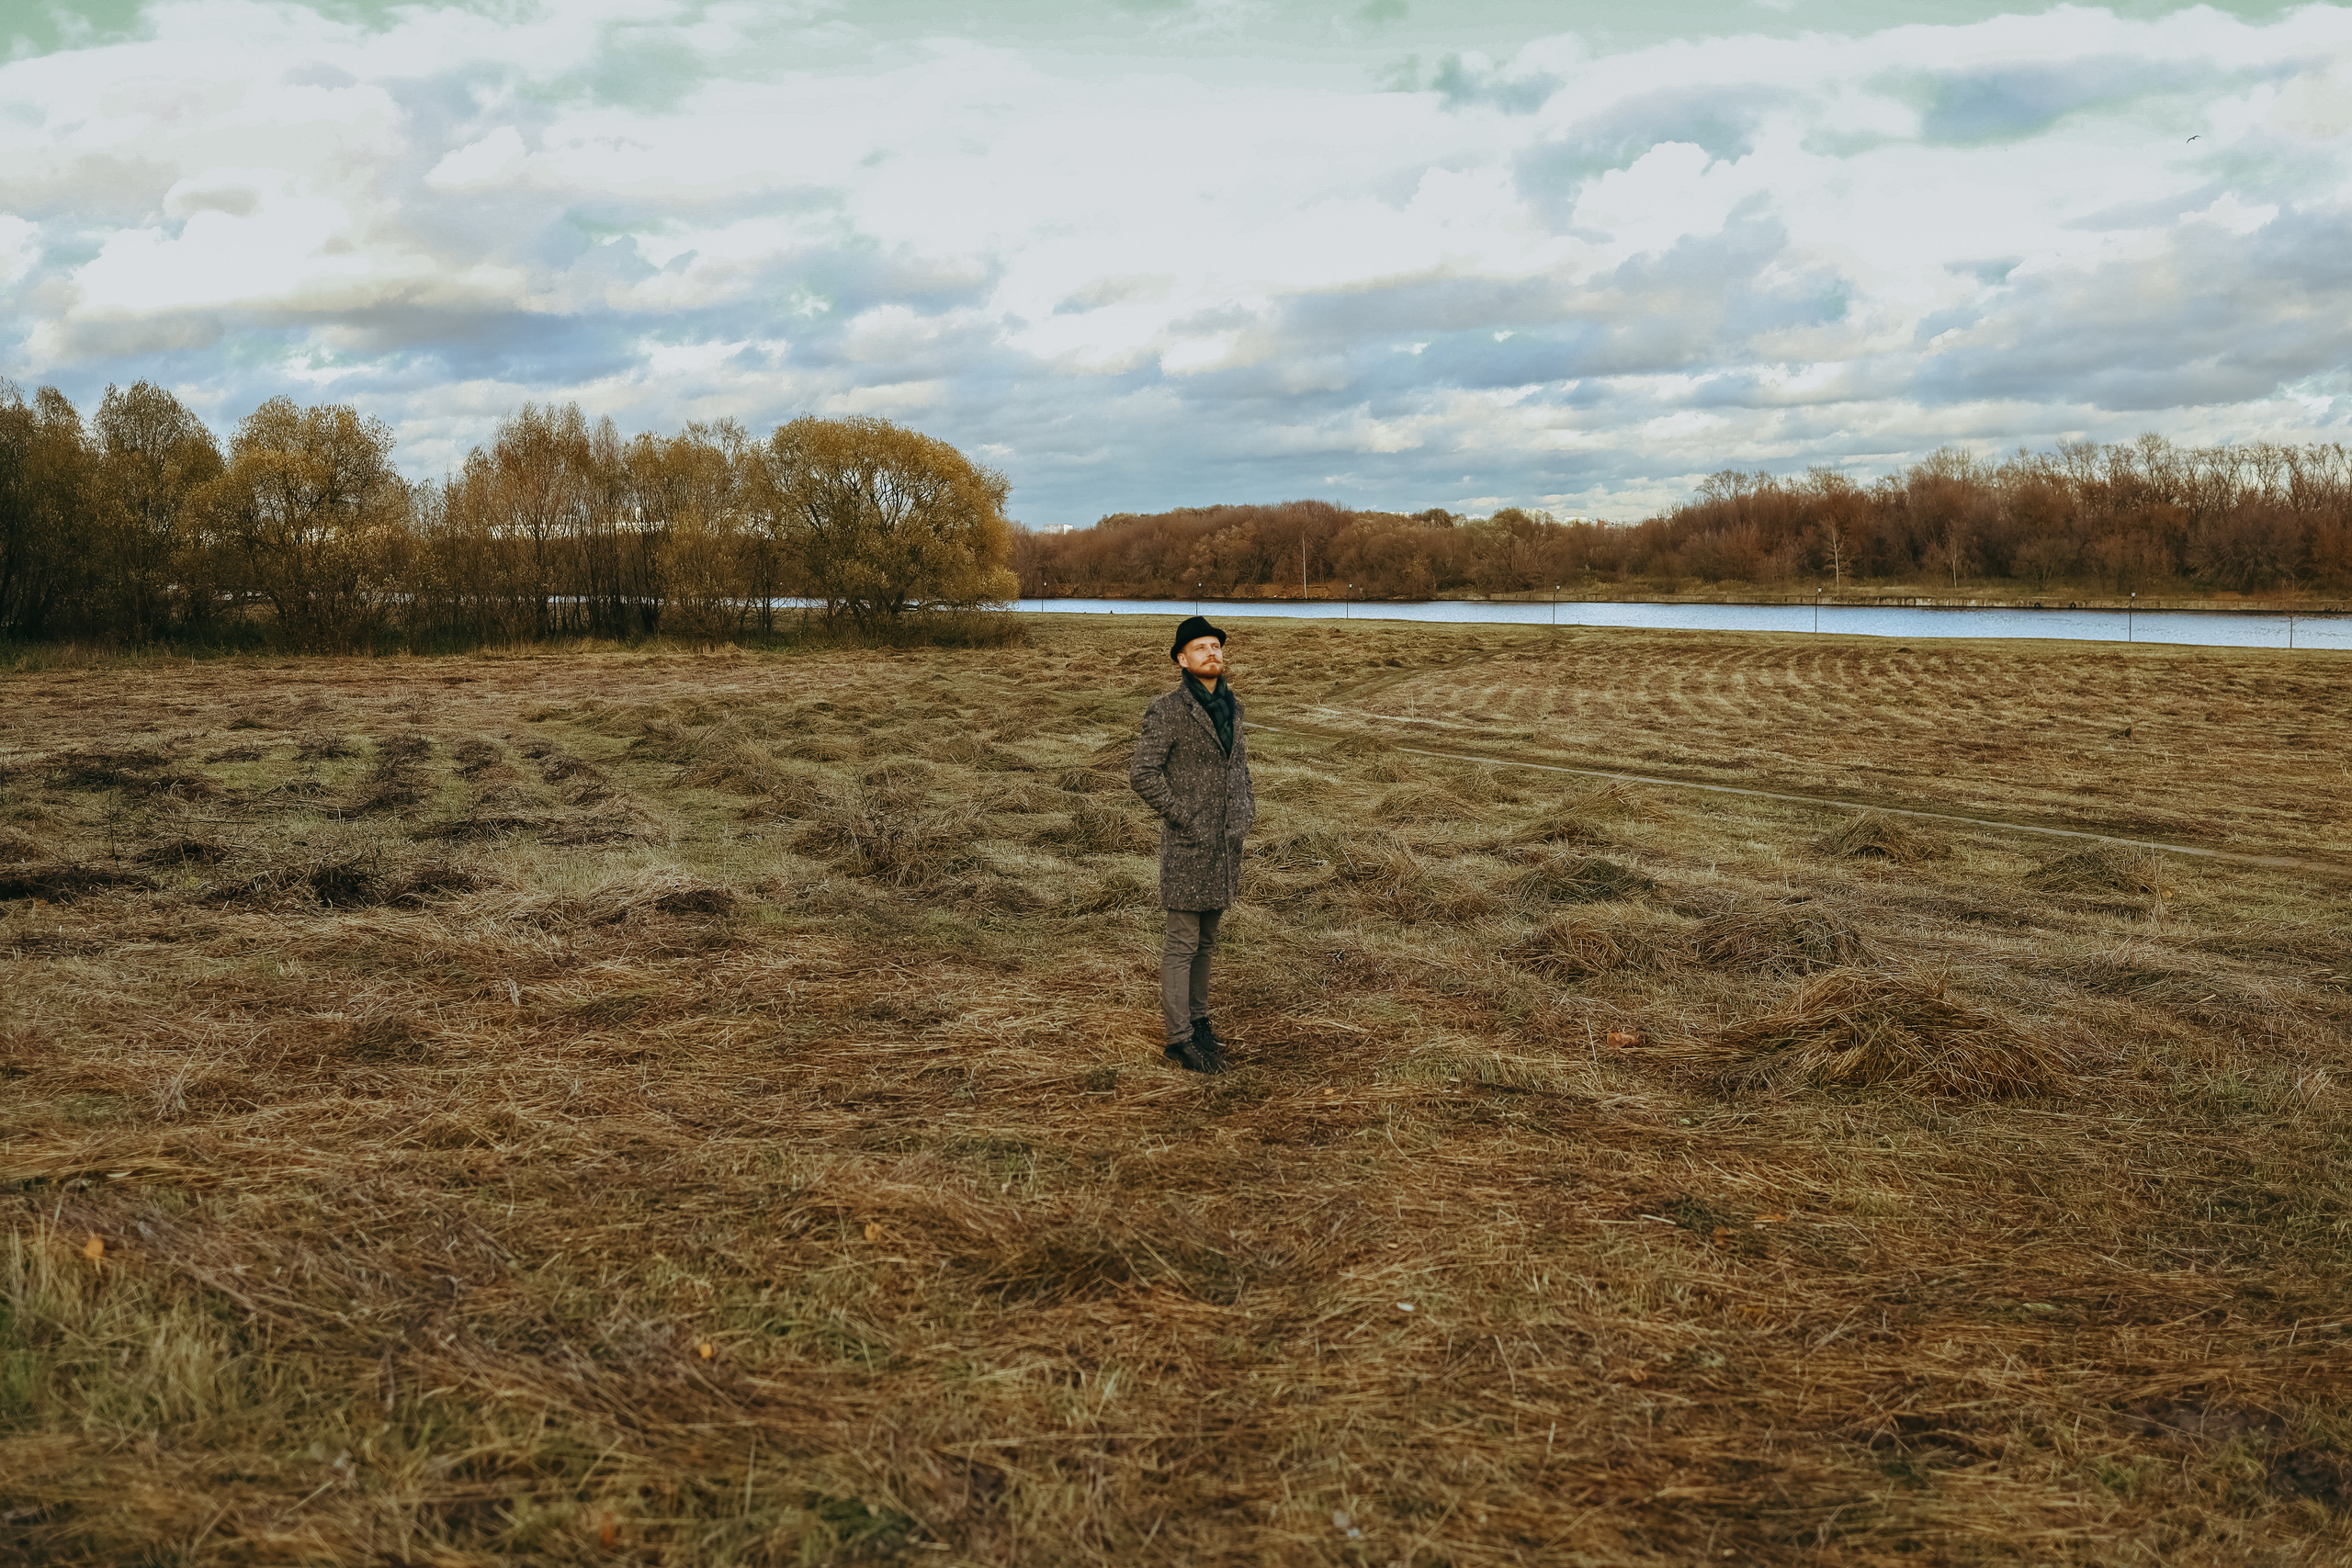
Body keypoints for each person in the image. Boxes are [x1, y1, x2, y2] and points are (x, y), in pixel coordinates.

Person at [1128, 615, 1257, 1073]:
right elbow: (1142, 773)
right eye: (1201, 648)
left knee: (1206, 940)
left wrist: (1245, 810)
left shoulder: (1232, 706)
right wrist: (1185, 817)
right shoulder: (1167, 709)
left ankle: (1199, 1022)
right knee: (1182, 942)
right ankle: (1179, 1038)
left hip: (1226, 845)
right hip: (1189, 844)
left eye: (1217, 647)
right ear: (1182, 660)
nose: (1213, 653)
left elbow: (1237, 767)